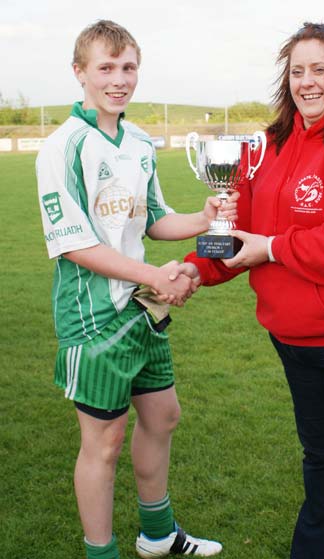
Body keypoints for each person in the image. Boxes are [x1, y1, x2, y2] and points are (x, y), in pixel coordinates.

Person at [180, 21, 324, 559]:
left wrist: (270, 248)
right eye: (297, 71)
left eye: (321, 70)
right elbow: (238, 232)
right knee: (323, 467)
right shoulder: (270, 145)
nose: (307, 82)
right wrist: (197, 268)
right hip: (295, 343)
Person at [36, 19, 235, 559]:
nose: (118, 79)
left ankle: (159, 535)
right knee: (103, 444)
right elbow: (73, 243)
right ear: (80, 73)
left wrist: (204, 215)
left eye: (128, 68)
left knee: (163, 416)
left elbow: (154, 221)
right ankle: (102, 552)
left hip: (142, 310)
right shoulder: (63, 147)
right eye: (106, 68)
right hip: (93, 317)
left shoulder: (141, 142)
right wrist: (155, 276)